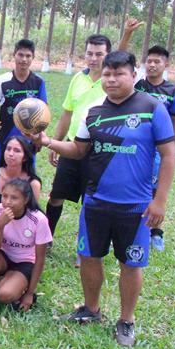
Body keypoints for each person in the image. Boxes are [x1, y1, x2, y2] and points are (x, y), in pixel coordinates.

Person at [29, 51, 175, 346]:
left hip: (135, 206)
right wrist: (49, 142)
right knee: (89, 257)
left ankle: (126, 320)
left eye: (118, 73)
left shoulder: (152, 108)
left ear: (133, 75)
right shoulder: (94, 111)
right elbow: (78, 149)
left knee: (131, 264)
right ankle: (91, 309)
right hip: (95, 200)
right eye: (107, 74)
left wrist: (159, 201)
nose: (111, 79)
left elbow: (169, 155)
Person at [43, 34, 110, 238]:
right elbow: (67, 113)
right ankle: (46, 238)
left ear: (107, 55)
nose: (93, 58)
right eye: (90, 53)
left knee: (91, 200)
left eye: (99, 54)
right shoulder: (78, 78)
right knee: (56, 195)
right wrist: (56, 143)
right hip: (72, 146)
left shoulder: (111, 81)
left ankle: (86, 250)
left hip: (98, 150)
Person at [134, 45, 175, 252]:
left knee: (157, 189)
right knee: (137, 186)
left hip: (159, 149)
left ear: (166, 64)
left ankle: (156, 232)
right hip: (138, 146)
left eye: (157, 62)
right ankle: (135, 225)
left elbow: (174, 119)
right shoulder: (138, 85)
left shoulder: (172, 91)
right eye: (149, 61)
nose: (152, 65)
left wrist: (173, 146)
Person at [0, 179, 51, 311]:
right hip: (3, 255)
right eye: (4, 196)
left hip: (25, 261)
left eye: (14, 198)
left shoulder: (39, 219)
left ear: (26, 199)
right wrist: (0, 225)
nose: (7, 202)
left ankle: (19, 285)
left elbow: (40, 260)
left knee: (5, 295)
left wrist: (30, 293)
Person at [0, 39, 47, 166]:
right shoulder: (2, 80)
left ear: (33, 57)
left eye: (28, 56)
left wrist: (38, 136)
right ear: (14, 55)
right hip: (6, 135)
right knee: (1, 174)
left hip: (29, 138)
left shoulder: (39, 82)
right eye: (21, 55)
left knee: (27, 177)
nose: (24, 59)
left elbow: (44, 111)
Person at [0, 136, 42, 230]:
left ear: (25, 157)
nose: (10, 154)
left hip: (21, 229)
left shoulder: (33, 183)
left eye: (17, 150)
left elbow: (32, 214)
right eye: (8, 149)